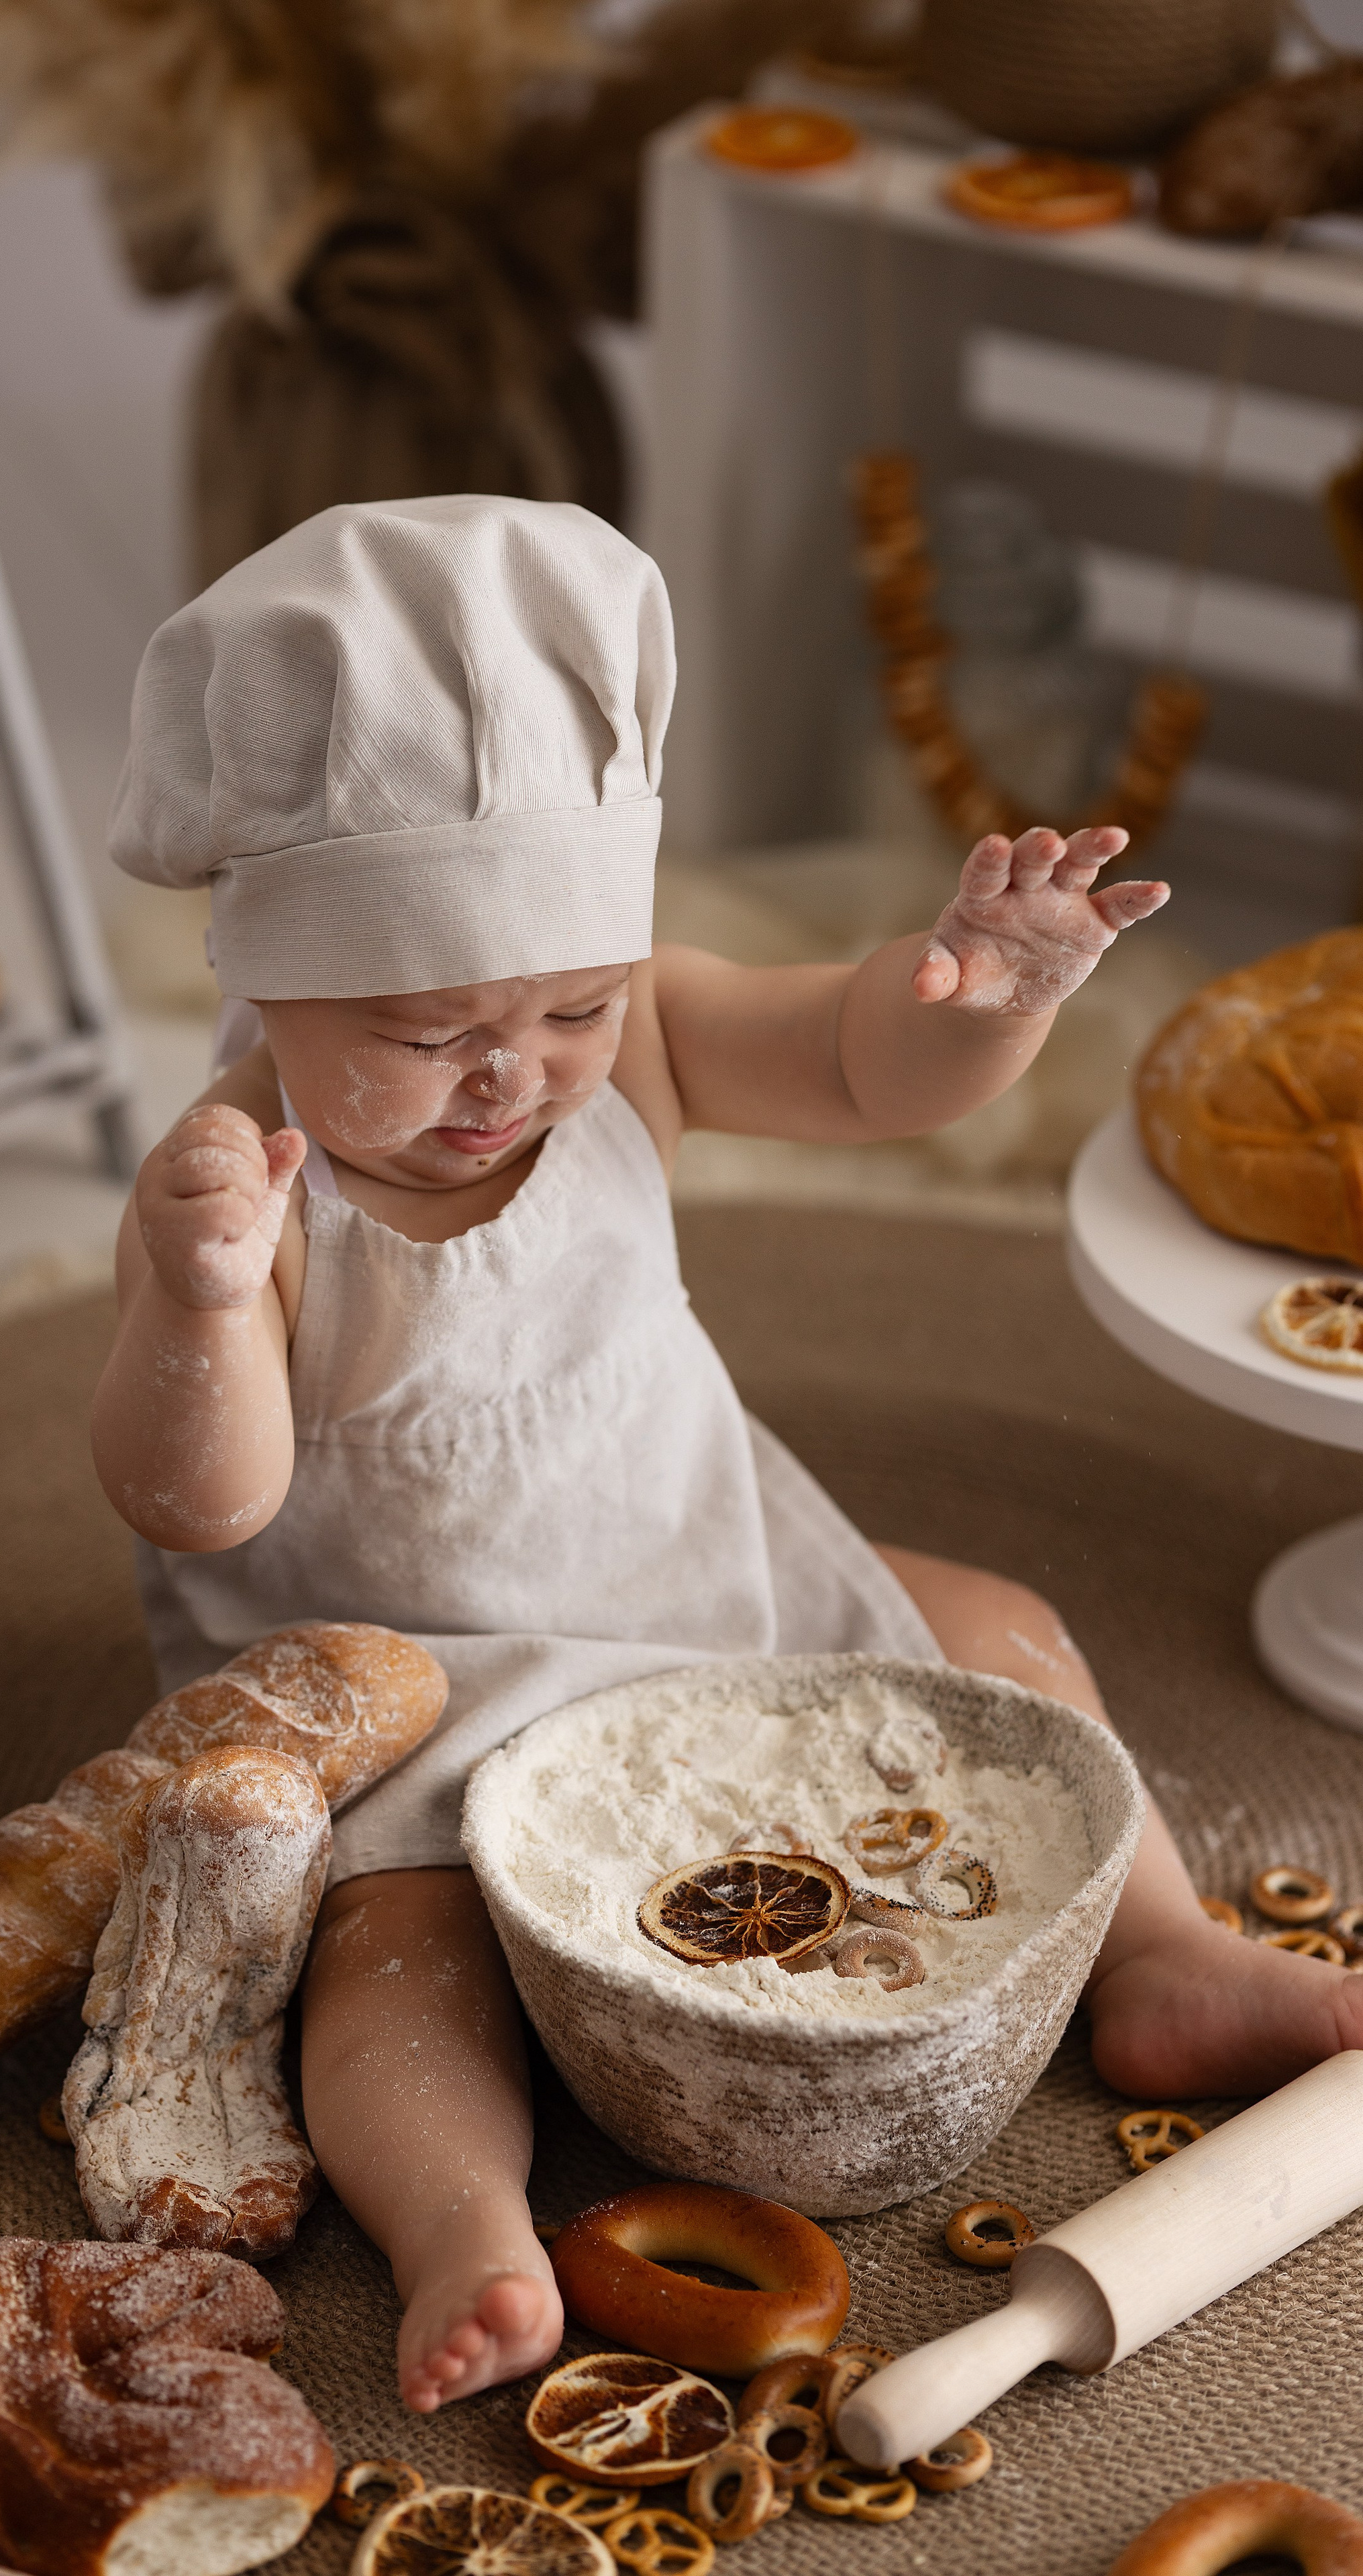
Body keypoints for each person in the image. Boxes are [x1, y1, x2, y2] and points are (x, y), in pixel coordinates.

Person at [94, 495, 1363, 2418]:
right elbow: (203, 1501)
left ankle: (1163, 1953)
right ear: (271, 976)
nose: (511, 1075)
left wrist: (989, 996)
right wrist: (196, 1303)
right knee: (394, 1980)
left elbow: (866, 1065)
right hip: (421, 1679)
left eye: (570, 1008)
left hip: (708, 1577)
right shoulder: (240, 1187)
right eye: (429, 1033)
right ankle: (465, 2224)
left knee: (1001, 1633)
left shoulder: (655, 1047)